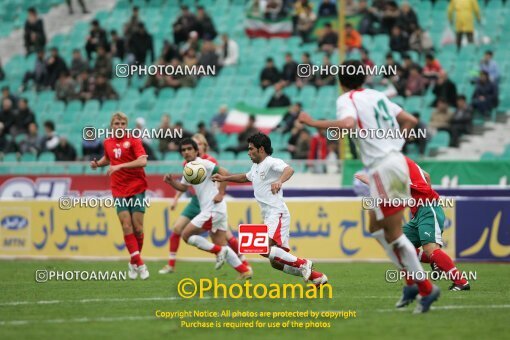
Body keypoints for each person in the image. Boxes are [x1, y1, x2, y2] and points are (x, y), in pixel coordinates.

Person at [299, 60, 440, 313]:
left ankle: (425, 287)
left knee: (393, 233)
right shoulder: (377, 95)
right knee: (375, 227)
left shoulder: (347, 99)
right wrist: (395, 146)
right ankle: (411, 281)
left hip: (384, 167)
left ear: (341, 82)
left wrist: (313, 124)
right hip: (387, 165)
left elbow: (347, 125)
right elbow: (410, 120)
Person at [212, 133, 328, 287]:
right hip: (269, 215)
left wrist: (279, 181)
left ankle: (304, 263)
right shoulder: (255, 167)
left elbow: (289, 169)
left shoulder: (271, 162)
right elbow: (245, 177)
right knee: (276, 263)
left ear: (261, 149)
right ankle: (317, 277)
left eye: (251, 149)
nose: (248, 152)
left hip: (277, 213)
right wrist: (225, 178)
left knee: (262, 247)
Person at [355, 156, 471, 295]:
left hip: (428, 209)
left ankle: (461, 281)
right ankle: (435, 261)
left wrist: (368, 181)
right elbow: (426, 176)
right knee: (398, 243)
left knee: (430, 249)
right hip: (420, 212)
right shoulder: (403, 162)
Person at [159, 134, 250, 274]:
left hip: (212, 209)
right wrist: (171, 182)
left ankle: (224, 253)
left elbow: (225, 173)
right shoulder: (190, 167)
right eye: (183, 150)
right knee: (221, 244)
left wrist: (220, 193)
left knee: (186, 235)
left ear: (197, 151)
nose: (186, 152)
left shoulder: (204, 163)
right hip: (214, 209)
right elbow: (183, 187)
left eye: (189, 149)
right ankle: (244, 271)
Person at [90, 112, 149, 280]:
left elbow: (143, 161)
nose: (120, 126)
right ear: (112, 126)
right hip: (118, 189)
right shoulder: (107, 142)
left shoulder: (134, 140)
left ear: (126, 125)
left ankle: (133, 261)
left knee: (138, 228)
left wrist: (120, 167)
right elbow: (109, 158)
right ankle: (140, 263)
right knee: (126, 225)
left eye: (123, 123)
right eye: (117, 123)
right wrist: (98, 164)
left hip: (137, 187)